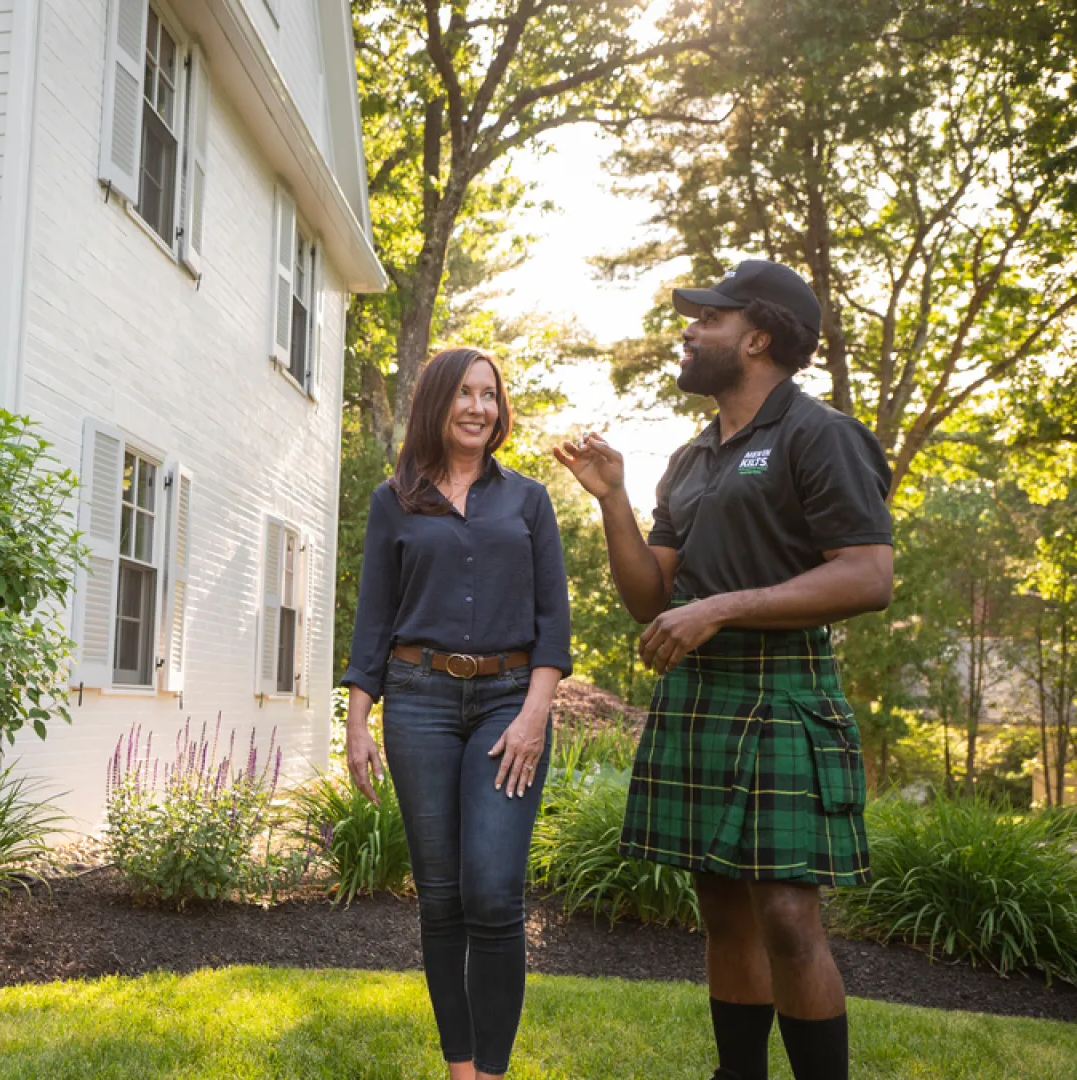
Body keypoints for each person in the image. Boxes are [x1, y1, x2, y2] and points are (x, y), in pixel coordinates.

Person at [553, 260, 893, 1080]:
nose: (689, 330)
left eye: (708, 317)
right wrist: (613, 499)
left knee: (785, 913)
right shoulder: (693, 457)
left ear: (757, 335)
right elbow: (650, 598)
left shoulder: (820, 434)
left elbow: (868, 575)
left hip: (784, 688)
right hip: (704, 691)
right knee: (723, 910)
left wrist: (721, 608)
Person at [341, 346, 572, 1080]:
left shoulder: (528, 500)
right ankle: (460, 1069)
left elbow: (553, 622)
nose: (480, 408)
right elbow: (374, 619)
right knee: (440, 897)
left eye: (491, 396)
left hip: (510, 703)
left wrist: (535, 715)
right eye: (466, 394)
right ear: (438, 402)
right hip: (419, 702)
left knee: (494, 893)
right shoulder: (394, 500)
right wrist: (356, 721)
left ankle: (494, 1076)